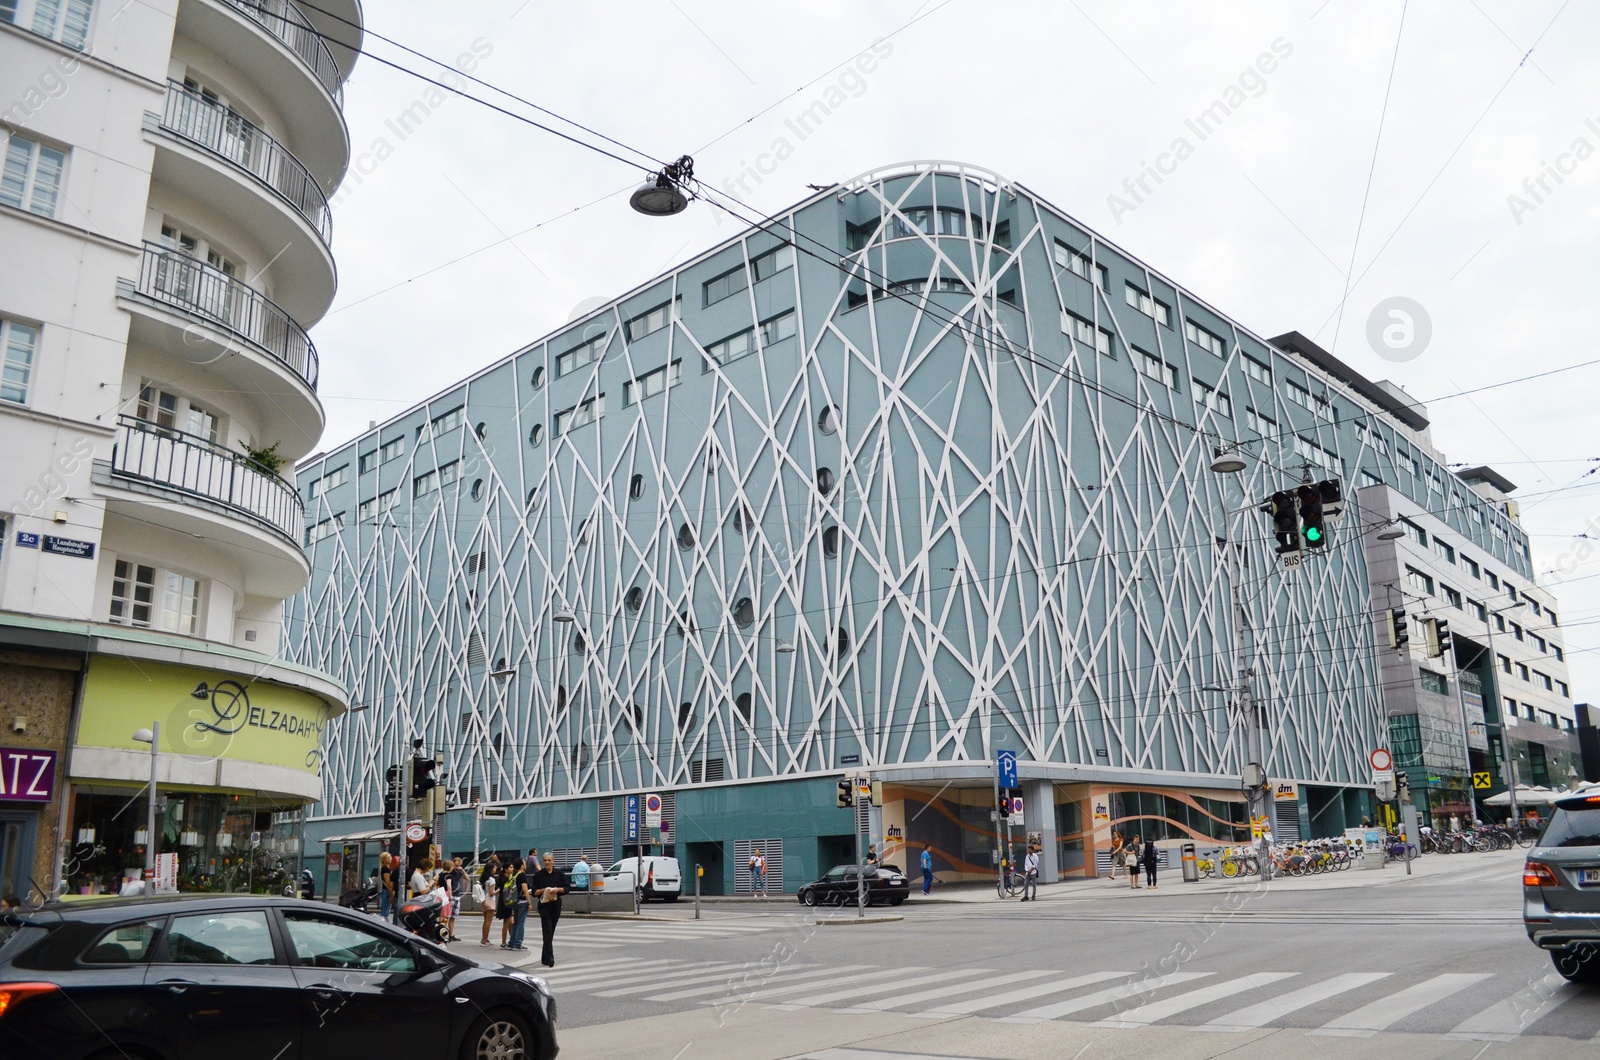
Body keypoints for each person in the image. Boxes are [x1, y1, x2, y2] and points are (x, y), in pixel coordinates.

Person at [527, 852, 569, 968]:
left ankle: (544, 958)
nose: (547, 862)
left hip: (556, 905)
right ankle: (550, 958)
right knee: (547, 931)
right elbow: (534, 892)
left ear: (553, 860)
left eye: (549, 860)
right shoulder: (539, 875)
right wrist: (544, 890)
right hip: (544, 905)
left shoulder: (559, 874)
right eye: (545, 860)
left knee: (551, 932)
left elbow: (567, 888)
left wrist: (557, 890)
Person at [507, 860, 531, 951]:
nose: (525, 864)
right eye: (524, 863)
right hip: (522, 901)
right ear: (521, 865)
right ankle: (518, 943)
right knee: (521, 922)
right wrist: (529, 901)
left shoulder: (514, 875)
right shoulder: (522, 875)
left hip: (514, 901)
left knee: (516, 922)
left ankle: (511, 943)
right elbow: (525, 889)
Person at [498, 860, 520, 948]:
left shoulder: (504, 877)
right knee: (506, 923)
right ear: (506, 869)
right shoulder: (505, 879)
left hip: (504, 901)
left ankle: (512, 940)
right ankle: (504, 942)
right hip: (506, 902)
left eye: (512, 867)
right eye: (510, 867)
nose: (512, 869)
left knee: (510, 922)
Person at [479, 856, 501, 945]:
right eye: (494, 868)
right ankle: (484, 940)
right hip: (490, 900)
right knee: (489, 921)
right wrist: (499, 891)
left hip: (484, 900)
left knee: (485, 921)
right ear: (491, 869)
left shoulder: (483, 879)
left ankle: (484, 939)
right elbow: (492, 892)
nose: (495, 869)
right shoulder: (492, 879)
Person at [378, 852, 396, 920]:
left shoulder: (388, 868)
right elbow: (388, 883)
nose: (389, 859)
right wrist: (391, 894)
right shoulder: (385, 869)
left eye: (390, 857)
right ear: (383, 860)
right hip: (387, 890)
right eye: (387, 858)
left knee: (386, 910)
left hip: (386, 890)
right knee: (385, 911)